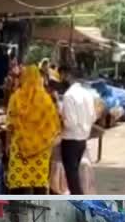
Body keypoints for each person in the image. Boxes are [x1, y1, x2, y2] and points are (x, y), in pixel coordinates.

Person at [6, 65, 61, 195]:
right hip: (41, 149)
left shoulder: (16, 97)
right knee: (39, 183)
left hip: (19, 148)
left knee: (17, 182)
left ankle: (15, 205)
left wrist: (7, 144)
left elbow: (10, 124)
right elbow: (53, 125)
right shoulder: (46, 100)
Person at [60, 66, 97, 195]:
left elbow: (70, 122)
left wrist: (61, 120)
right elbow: (93, 116)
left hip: (70, 138)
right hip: (83, 138)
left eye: (63, 76)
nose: (62, 79)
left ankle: (78, 198)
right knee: (75, 172)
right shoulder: (87, 94)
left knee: (72, 175)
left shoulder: (68, 95)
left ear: (68, 75)